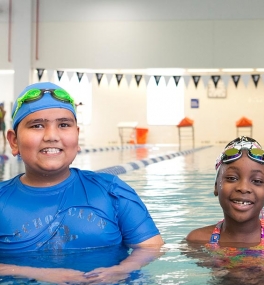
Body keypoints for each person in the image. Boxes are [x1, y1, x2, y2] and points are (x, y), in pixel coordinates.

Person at [0, 82, 164, 284]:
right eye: (37, 125)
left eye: (63, 125)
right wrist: (38, 273)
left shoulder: (112, 191)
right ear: (14, 141)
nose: (52, 136)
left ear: (76, 136)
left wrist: (121, 270)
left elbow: (151, 247)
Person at [187, 136, 264, 247]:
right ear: (216, 186)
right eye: (232, 178)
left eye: (257, 180)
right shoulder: (197, 241)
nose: (243, 188)